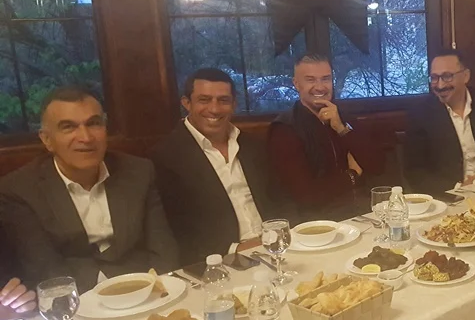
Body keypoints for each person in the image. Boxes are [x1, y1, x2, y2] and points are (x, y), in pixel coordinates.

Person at [0, 86, 178, 293]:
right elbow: (45, 269)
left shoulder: (139, 171)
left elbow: (163, 249)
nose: (85, 137)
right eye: (68, 127)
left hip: (144, 290)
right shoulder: (19, 190)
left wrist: (162, 293)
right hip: (77, 298)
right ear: (47, 140)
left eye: (93, 124)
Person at [151, 68, 293, 266]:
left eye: (223, 100)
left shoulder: (253, 145)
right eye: (204, 100)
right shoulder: (166, 156)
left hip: (276, 247)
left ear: (234, 104)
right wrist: (236, 249)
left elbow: (280, 198)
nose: (215, 109)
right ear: (186, 103)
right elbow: (176, 230)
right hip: (220, 261)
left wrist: (288, 234)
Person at [268, 54, 385, 214]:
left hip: (362, 210)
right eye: (310, 80)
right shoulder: (284, 129)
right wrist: (352, 175)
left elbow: (377, 166)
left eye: (326, 79)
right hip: (318, 219)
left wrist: (342, 129)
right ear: (296, 84)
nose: (320, 87)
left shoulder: (343, 116)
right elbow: (307, 196)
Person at [404, 48, 475, 194]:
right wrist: (459, 188)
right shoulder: (420, 114)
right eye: (434, 78)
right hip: (451, 196)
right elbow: (415, 173)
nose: (440, 85)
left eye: (447, 76)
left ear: (465, 76)